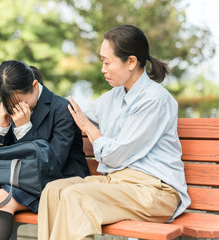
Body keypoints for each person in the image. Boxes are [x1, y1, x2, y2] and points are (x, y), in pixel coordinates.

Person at [38, 25, 191, 240]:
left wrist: (90, 129)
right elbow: (74, 110)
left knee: (75, 196)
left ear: (131, 62)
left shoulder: (154, 100)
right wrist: (36, 94)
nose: (103, 69)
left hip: (154, 190)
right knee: (53, 191)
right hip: (117, 182)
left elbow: (117, 154)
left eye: (107, 62)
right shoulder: (114, 96)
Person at [0, 60, 90, 240]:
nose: (19, 109)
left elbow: (53, 165)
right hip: (22, 182)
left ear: (35, 86)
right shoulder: (14, 108)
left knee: (2, 198)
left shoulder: (61, 109)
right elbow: (6, 159)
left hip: (60, 182)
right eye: (12, 106)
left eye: (21, 103)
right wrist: (3, 126)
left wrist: (25, 129)